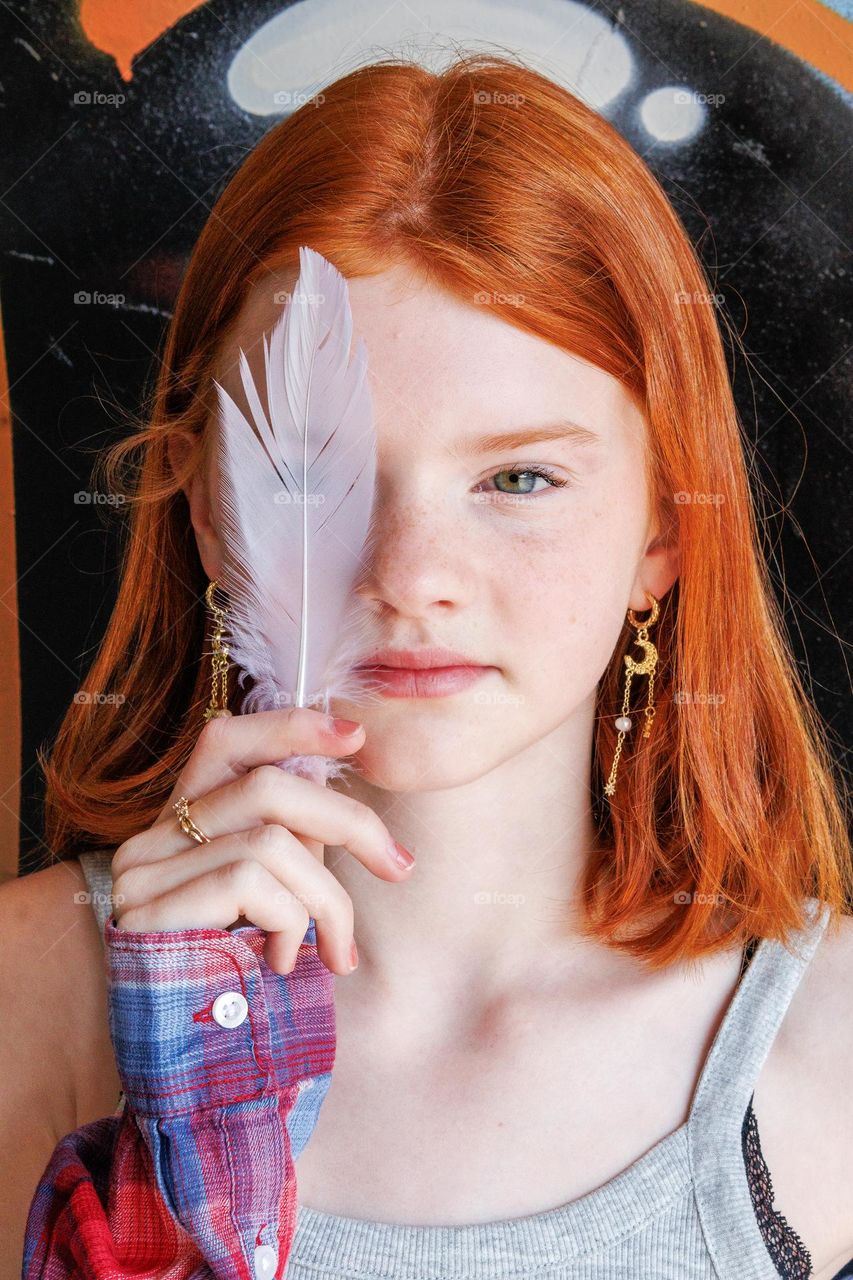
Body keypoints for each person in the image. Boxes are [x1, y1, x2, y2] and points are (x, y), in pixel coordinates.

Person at [5, 49, 853, 1280]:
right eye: (314, 474)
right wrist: (168, 1133)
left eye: (518, 478)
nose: (409, 572)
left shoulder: (826, 1042)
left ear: (662, 528)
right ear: (204, 511)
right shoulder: (25, 1002)